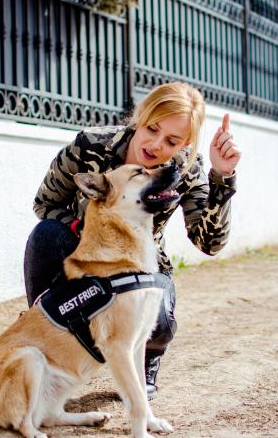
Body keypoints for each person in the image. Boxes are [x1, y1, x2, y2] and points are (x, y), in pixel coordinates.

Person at [23, 82, 241, 399]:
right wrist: (89, 235)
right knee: (45, 235)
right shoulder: (91, 145)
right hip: (85, 256)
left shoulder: (186, 169)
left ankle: (147, 362)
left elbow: (209, 242)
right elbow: (45, 204)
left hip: (140, 266)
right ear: (141, 115)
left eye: (171, 140)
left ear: (187, 142)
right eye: (151, 128)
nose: (155, 144)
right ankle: (44, 334)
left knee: (161, 323)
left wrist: (222, 178)